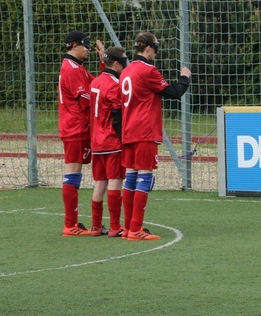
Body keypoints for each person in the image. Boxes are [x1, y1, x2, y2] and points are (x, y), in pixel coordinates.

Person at [119, 32, 191, 241]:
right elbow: (173, 93)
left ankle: (127, 227)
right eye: (156, 49)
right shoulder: (147, 70)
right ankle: (136, 229)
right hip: (144, 131)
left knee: (130, 177)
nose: (157, 54)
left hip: (128, 131)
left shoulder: (126, 71)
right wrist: (185, 77)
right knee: (145, 176)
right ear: (148, 48)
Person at [58, 30, 105, 236]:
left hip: (76, 127)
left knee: (74, 173)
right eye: (85, 46)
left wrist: (103, 62)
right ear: (74, 45)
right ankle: (70, 225)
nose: (88, 50)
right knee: (73, 174)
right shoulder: (72, 69)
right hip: (76, 127)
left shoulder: (77, 67)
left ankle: (72, 224)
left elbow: (99, 85)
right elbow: (86, 99)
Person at [89, 47, 128, 237]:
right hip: (111, 141)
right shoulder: (115, 85)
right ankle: (115, 226)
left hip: (96, 141)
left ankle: (96, 226)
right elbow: (117, 114)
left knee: (100, 184)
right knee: (115, 183)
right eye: (124, 61)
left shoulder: (95, 81)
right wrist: (124, 138)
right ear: (116, 64)